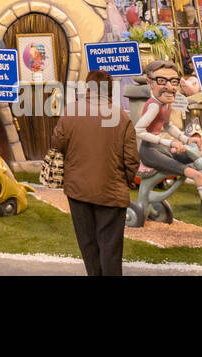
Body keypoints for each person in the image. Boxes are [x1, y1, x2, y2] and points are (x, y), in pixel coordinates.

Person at [50, 70, 139, 276]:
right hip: (112, 191)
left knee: (88, 246)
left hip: (78, 190)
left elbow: (57, 144)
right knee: (111, 249)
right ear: (109, 90)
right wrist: (127, 180)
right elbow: (131, 159)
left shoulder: (71, 112)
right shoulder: (121, 117)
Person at [134, 60, 202, 215]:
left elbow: (168, 126)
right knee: (196, 175)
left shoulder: (166, 103)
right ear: (149, 82)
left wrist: (186, 139)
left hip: (160, 148)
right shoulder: (154, 106)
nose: (170, 87)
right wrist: (168, 141)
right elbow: (138, 130)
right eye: (161, 81)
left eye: (174, 81)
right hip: (150, 152)